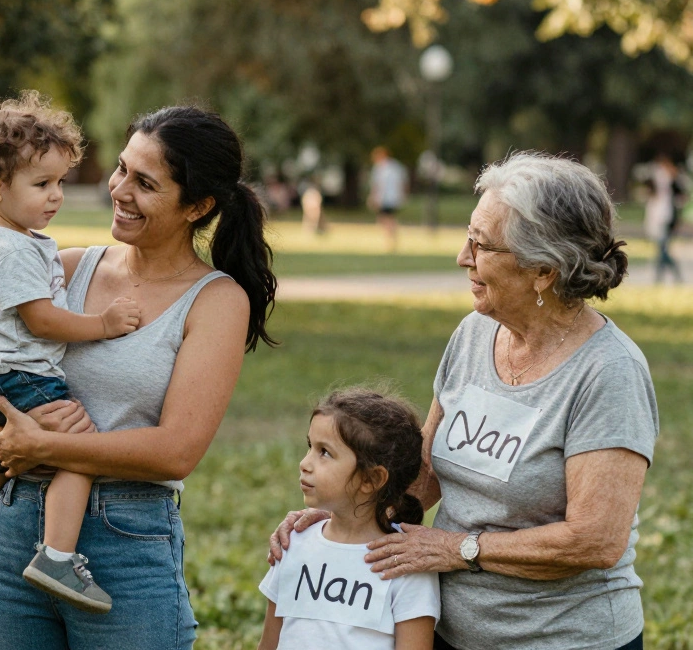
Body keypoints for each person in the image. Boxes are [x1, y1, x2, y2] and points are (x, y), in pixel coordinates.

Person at [271, 152, 658, 650]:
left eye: (481, 244)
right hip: (451, 631)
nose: (462, 256)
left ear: (543, 270)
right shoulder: (476, 332)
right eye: (467, 236)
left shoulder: (608, 372)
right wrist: (346, 514)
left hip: (567, 639)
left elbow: (595, 540)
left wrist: (460, 549)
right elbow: (426, 471)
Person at [0, 105, 278, 649]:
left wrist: (44, 444)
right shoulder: (65, 267)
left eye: (145, 183)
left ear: (197, 206)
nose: (118, 189)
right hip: (9, 531)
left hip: (123, 543)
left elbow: (176, 452)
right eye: (121, 169)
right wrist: (4, 438)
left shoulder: (215, 302)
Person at [0, 93, 142, 622]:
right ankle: (57, 557)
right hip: (16, 374)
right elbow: (42, 320)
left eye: (60, 181)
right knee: (80, 449)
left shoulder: (5, 237)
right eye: (42, 184)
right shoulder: (11, 249)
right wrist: (102, 325)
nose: (56, 195)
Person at [257, 388, 439, 650]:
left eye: (325, 452)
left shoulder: (405, 563)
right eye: (310, 447)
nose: (305, 463)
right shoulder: (292, 542)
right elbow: (268, 644)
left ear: (371, 479)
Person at [645, 153, 688, 283]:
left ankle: (664, 276)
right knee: (662, 249)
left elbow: (680, 198)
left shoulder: (670, 183)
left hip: (666, 219)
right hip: (661, 218)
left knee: (662, 249)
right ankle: (668, 275)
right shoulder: (663, 184)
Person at [367, 147, 407, 252]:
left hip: (386, 198)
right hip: (393, 198)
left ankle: (390, 240)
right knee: (387, 219)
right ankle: (391, 239)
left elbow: (377, 185)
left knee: (386, 219)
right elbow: (402, 182)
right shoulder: (396, 166)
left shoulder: (380, 168)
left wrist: (373, 197)